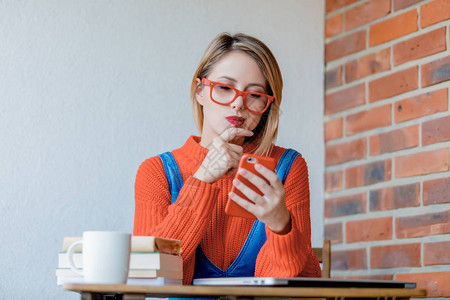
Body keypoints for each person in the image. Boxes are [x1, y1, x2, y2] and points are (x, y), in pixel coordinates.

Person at [133, 32, 321, 285]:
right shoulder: (157, 171)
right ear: (199, 91)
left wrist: (281, 226)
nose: (238, 104)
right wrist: (203, 178)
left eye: (254, 94)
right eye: (224, 88)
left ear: (267, 107)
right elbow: (147, 274)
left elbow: (302, 282)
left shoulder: (287, 166)